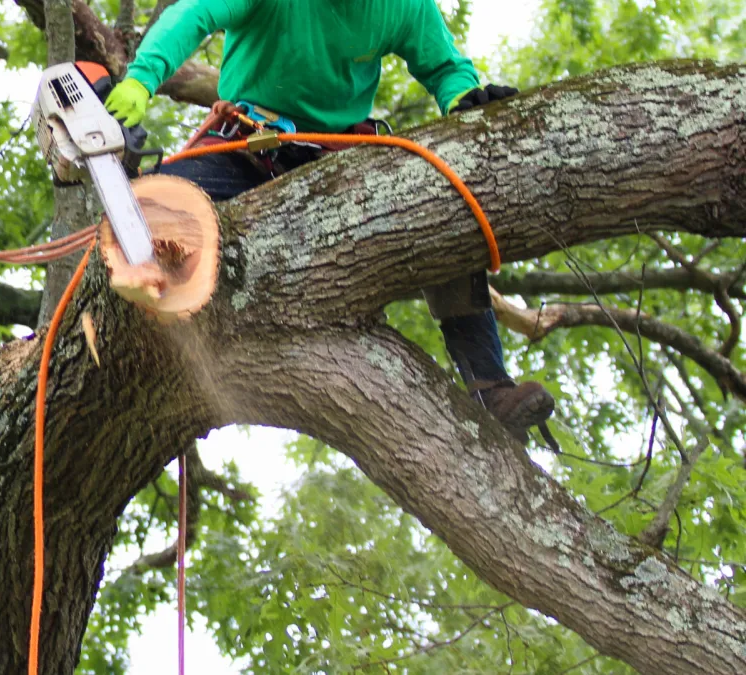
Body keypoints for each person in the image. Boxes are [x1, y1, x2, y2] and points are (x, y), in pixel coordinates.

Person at [103, 0, 554, 443]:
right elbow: (195, 12)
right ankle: (149, 325)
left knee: (442, 206)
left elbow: (444, 67)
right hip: (247, 149)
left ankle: (490, 389)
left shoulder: (403, 6)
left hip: (339, 165)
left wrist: (461, 99)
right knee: (157, 211)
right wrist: (143, 79)